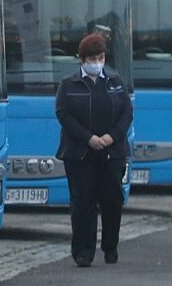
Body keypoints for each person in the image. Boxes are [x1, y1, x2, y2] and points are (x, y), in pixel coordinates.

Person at [55, 32, 132, 266]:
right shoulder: (68, 84)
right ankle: (83, 252)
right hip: (80, 153)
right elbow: (63, 114)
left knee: (112, 201)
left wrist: (111, 137)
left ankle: (110, 247)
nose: (97, 63)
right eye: (92, 58)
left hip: (112, 152)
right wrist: (88, 138)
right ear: (82, 60)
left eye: (100, 58)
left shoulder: (116, 82)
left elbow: (126, 113)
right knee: (82, 203)